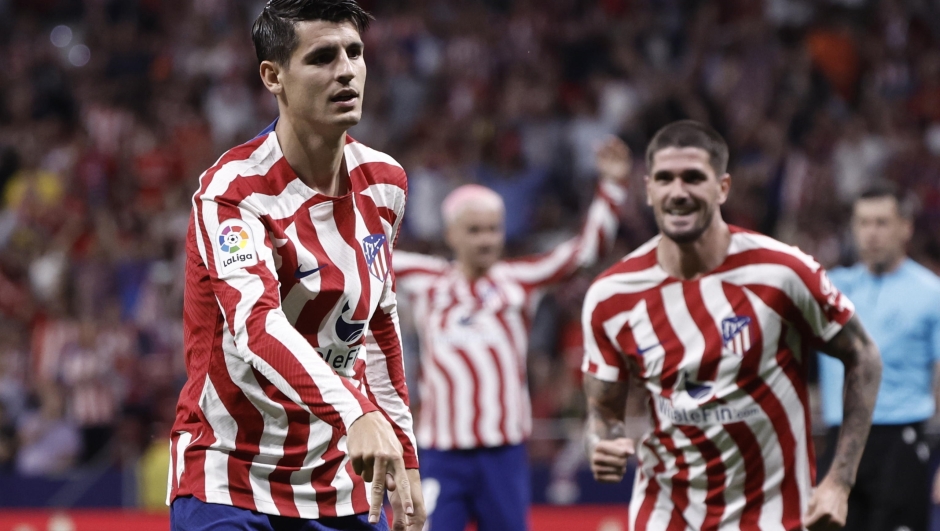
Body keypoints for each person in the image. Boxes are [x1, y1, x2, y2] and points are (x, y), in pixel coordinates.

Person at [167, 2, 425, 530]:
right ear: (273, 76)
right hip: (230, 477)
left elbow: (377, 327)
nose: (346, 70)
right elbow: (257, 327)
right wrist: (358, 414)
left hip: (336, 479)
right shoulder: (233, 192)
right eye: (323, 57)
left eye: (354, 53)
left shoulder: (386, 183)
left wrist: (406, 455)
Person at [580, 120, 883, 531]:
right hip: (666, 514)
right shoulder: (611, 296)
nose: (678, 192)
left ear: (722, 188)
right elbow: (603, 411)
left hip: (773, 516)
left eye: (693, 178)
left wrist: (839, 482)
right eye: (665, 179)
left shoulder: (782, 272)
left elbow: (863, 355)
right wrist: (602, 443)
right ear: (648, 189)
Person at [392, 137, 631, 530]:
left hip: (502, 452)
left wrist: (613, 186)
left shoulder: (520, 280)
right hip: (440, 452)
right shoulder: (425, 278)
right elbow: (357, 252)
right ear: (451, 234)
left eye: (492, 230)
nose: (485, 239)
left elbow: (585, 252)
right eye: (473, 230)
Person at [817, 184, 940, 531]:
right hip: (837, 444)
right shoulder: (828, 290)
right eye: (863, 223)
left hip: (899, 444)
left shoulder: (932, 293)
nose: (871, 233)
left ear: (906, 227)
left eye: (882, 222)